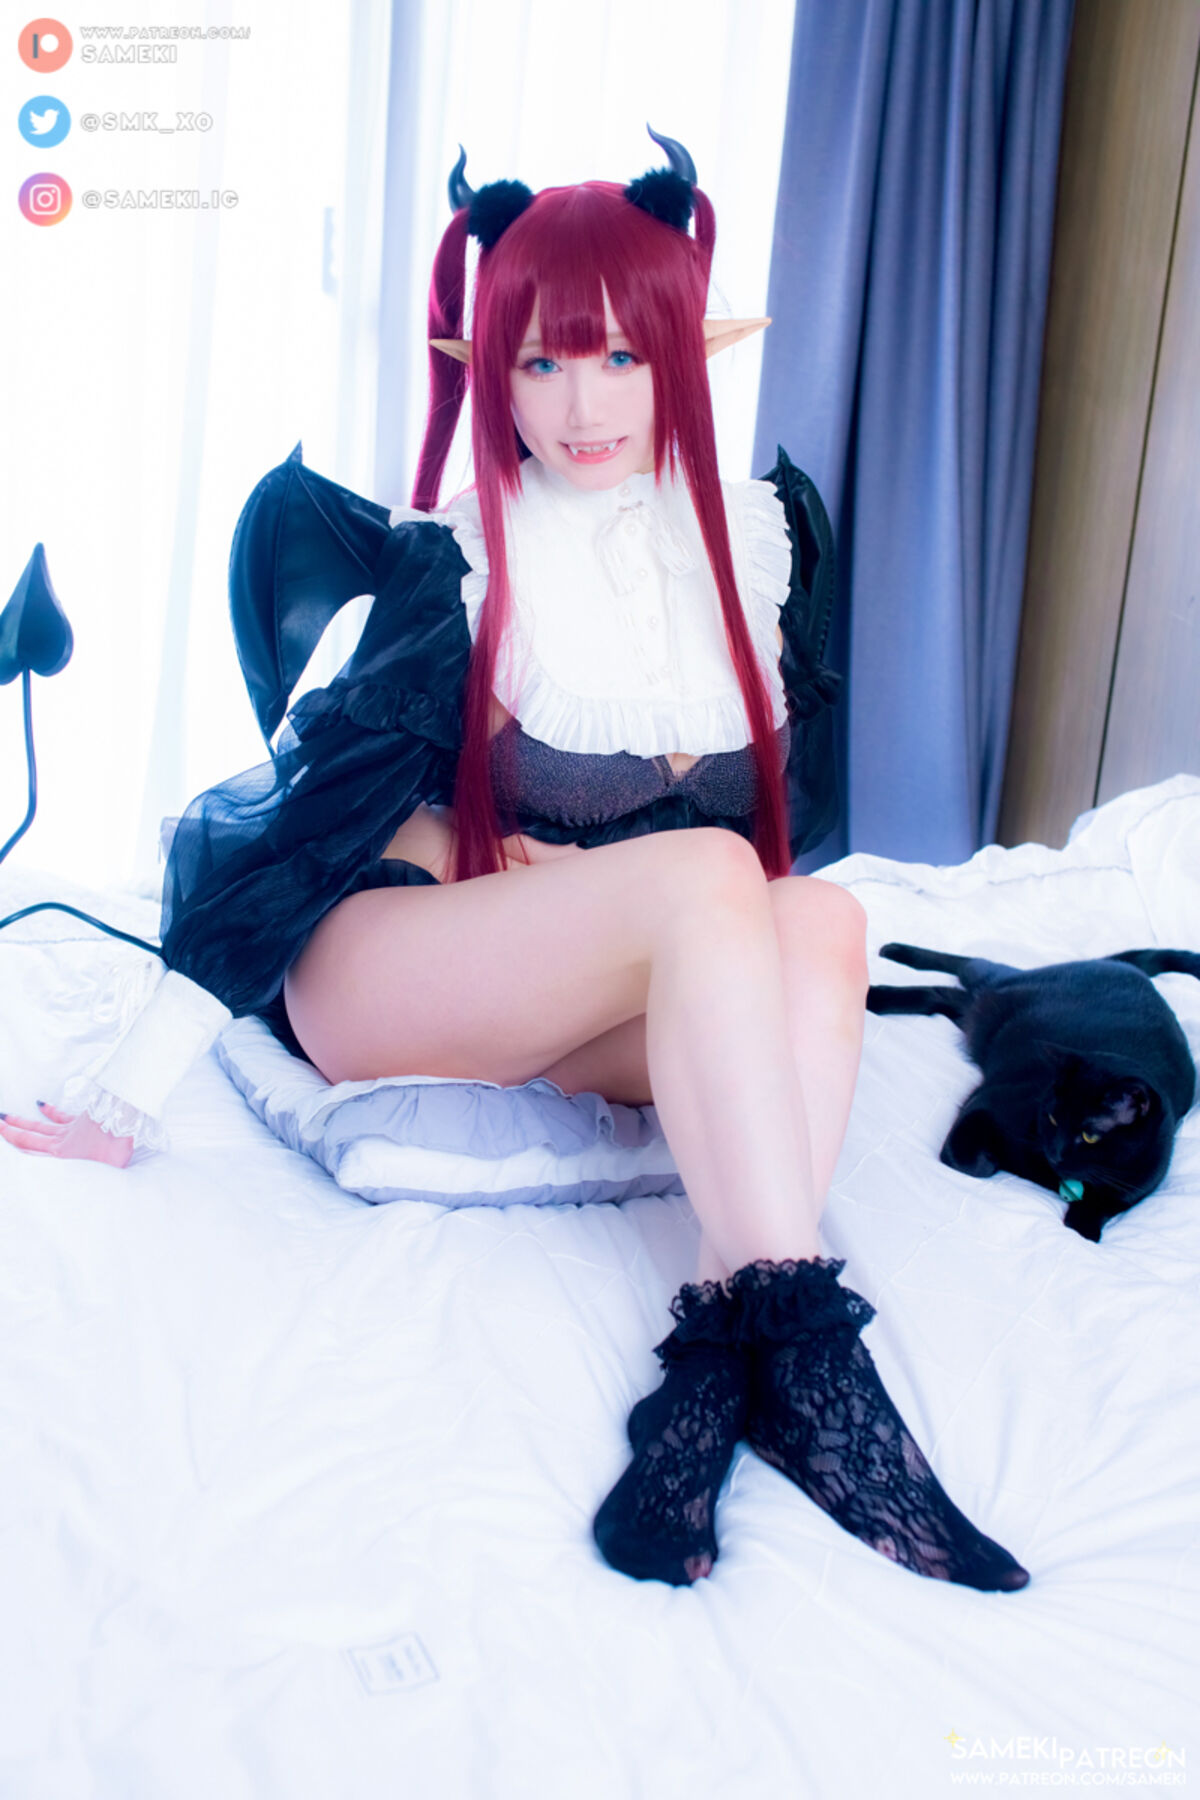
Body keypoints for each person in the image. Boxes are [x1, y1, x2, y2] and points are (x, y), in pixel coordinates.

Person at [0, 133, 1029, 1594]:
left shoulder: (762, 544)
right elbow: (310, 823)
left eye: (616, 356)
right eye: (540, 363)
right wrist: (129, 1088)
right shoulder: (466, 560)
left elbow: (755, 845)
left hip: (575, 970)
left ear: (677, 353)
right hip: (390, 956)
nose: (579, 404)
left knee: (819, 920)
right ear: (494, 368)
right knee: (710, 881)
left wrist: (586, 887)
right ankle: (813, 1362)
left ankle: (709, 1380)